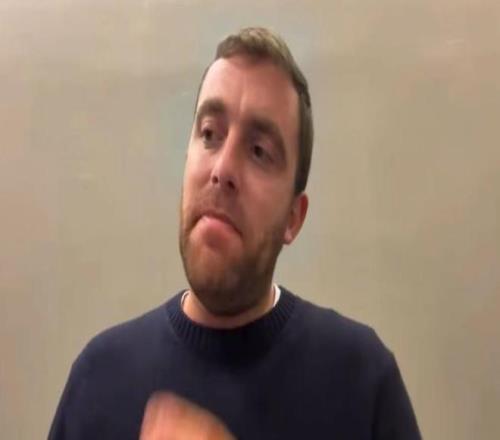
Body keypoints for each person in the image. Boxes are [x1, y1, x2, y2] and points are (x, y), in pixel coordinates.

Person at [49, 27, 421, 439]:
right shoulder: (98, 380)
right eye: (210, 134)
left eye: (259, 151)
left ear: (293, 218)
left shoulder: (363, 382)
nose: (223, 169)